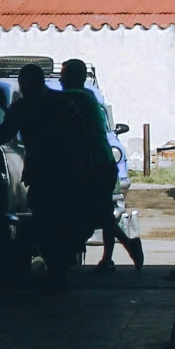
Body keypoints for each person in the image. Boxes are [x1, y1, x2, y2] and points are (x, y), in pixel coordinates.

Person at [0, 64, 85, 289]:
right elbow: (81, 140)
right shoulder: (64, 105)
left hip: (43, 172)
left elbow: (4, 133)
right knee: (59, 221)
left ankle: (53, 271)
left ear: (25, 85)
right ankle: (58, 271)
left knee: (45, 220)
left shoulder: (22, 107)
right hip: (65, 172)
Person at [59, 58, 143, 269]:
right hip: (102, 163)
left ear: (73, 77)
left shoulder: (78, 96)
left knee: (98, 214)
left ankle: (128, 246)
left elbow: (51, 99)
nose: (60, 79)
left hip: (95, 165)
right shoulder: (87, 97)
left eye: (64, 74)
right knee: (102, 212)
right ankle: (109, 257)